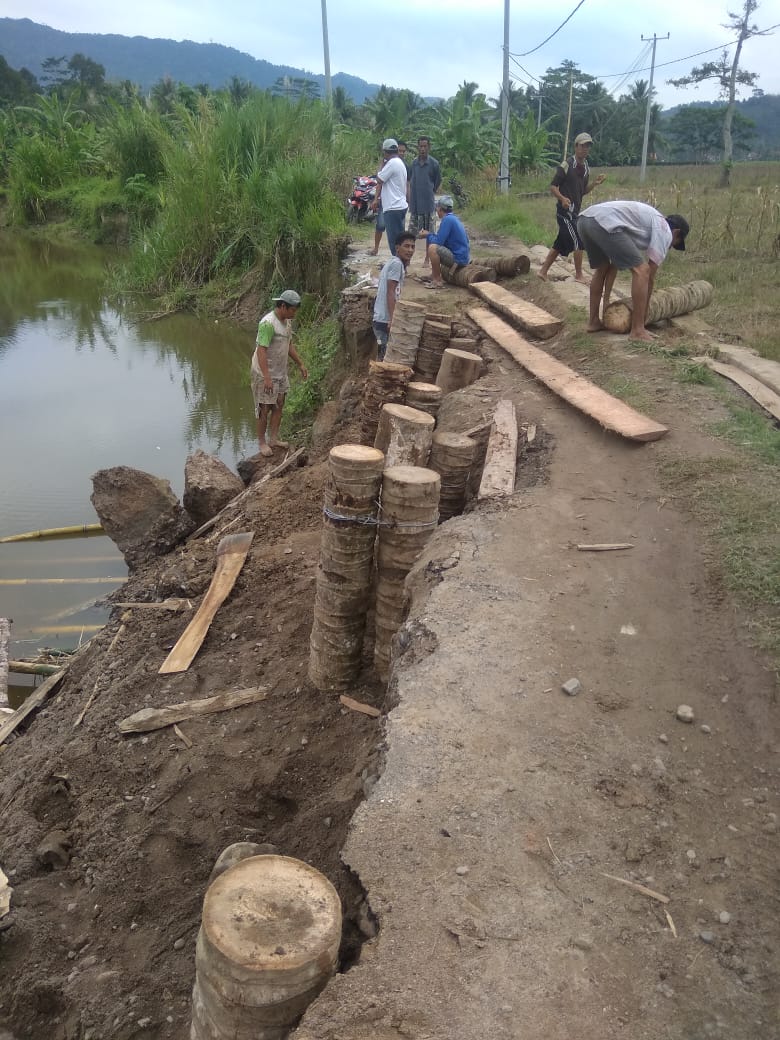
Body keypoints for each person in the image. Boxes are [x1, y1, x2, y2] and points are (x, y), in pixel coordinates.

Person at [577, 202, 690, 342]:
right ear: (676, 232)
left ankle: (593, 322)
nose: (671, 246)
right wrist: (644, 314)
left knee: (602, 268)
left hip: (585, 219)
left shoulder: (648, 220)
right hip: (603, 222)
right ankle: (637, 330)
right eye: (675, 243)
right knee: (642, 271)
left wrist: (607, 300)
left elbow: (613, 265)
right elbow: (649, 275)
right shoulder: (665, 230)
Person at [538, 132, 606, 285]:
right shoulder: (567, 165)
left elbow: (582, 191)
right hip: (564, 213)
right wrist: (562, 198)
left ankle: (542, 272)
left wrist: (594, 184)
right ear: (576, 147)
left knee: (559, 243)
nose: (585, 149)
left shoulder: (586, 168)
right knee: (579, 240)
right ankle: (579, 275)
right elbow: (553, 186)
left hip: (575, 212)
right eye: (582, 146)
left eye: (588, 146)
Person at [251, 289, 308, 457]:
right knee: (264, 407)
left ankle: (273, 439)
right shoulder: (268, 324)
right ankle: (262, 442)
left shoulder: (286, 321)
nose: (294, 313)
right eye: (292, 310)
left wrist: (300, 364)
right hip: (264, 372)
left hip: (280, 371)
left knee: (279, 403)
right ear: (283, 306)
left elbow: (288, 344)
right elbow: (261, 351)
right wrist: (266, 377)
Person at [372, 232, 416, 359]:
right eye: (406, 246)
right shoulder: (396, 264)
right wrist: (392, 319)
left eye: (412, 247)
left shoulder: (393, 261)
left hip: (380, 319)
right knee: (385, 359)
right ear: (397, 248)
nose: (410, 250)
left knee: (383, 357)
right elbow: (390, 292)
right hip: (384, 320)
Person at [417, 195, 469, 289]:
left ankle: (437, 280)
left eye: (437, 208)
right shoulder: (453, 218)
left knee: (432, 248)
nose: (436, 210)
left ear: (440, 209)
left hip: (458, 259)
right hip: (462, 257)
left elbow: (438, 242)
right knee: (434, 246)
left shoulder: (447, 220)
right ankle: (434, 275)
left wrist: (427, 235)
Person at [408, 136, 442, 266]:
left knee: (429, 233)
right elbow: (411, 180)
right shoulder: (414, 163)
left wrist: (430, 191)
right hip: (415, 204)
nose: (422, 149)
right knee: (411, 234)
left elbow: (437, 181)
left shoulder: (434, 163)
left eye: (425, 146)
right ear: (418, 148)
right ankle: (408, 258)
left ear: (429, 147)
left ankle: (427, 259)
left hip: (428, 204)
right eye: (420, 146)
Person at [371, 138, 408, 256]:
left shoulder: (391, 163)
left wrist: (382, 164)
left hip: (393, 207)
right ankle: (402, 266)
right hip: (400, 206)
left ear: (385, 152)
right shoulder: (400, 163)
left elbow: (379, 179)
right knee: (400, 239)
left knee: (395, 242)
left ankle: (399, 267)